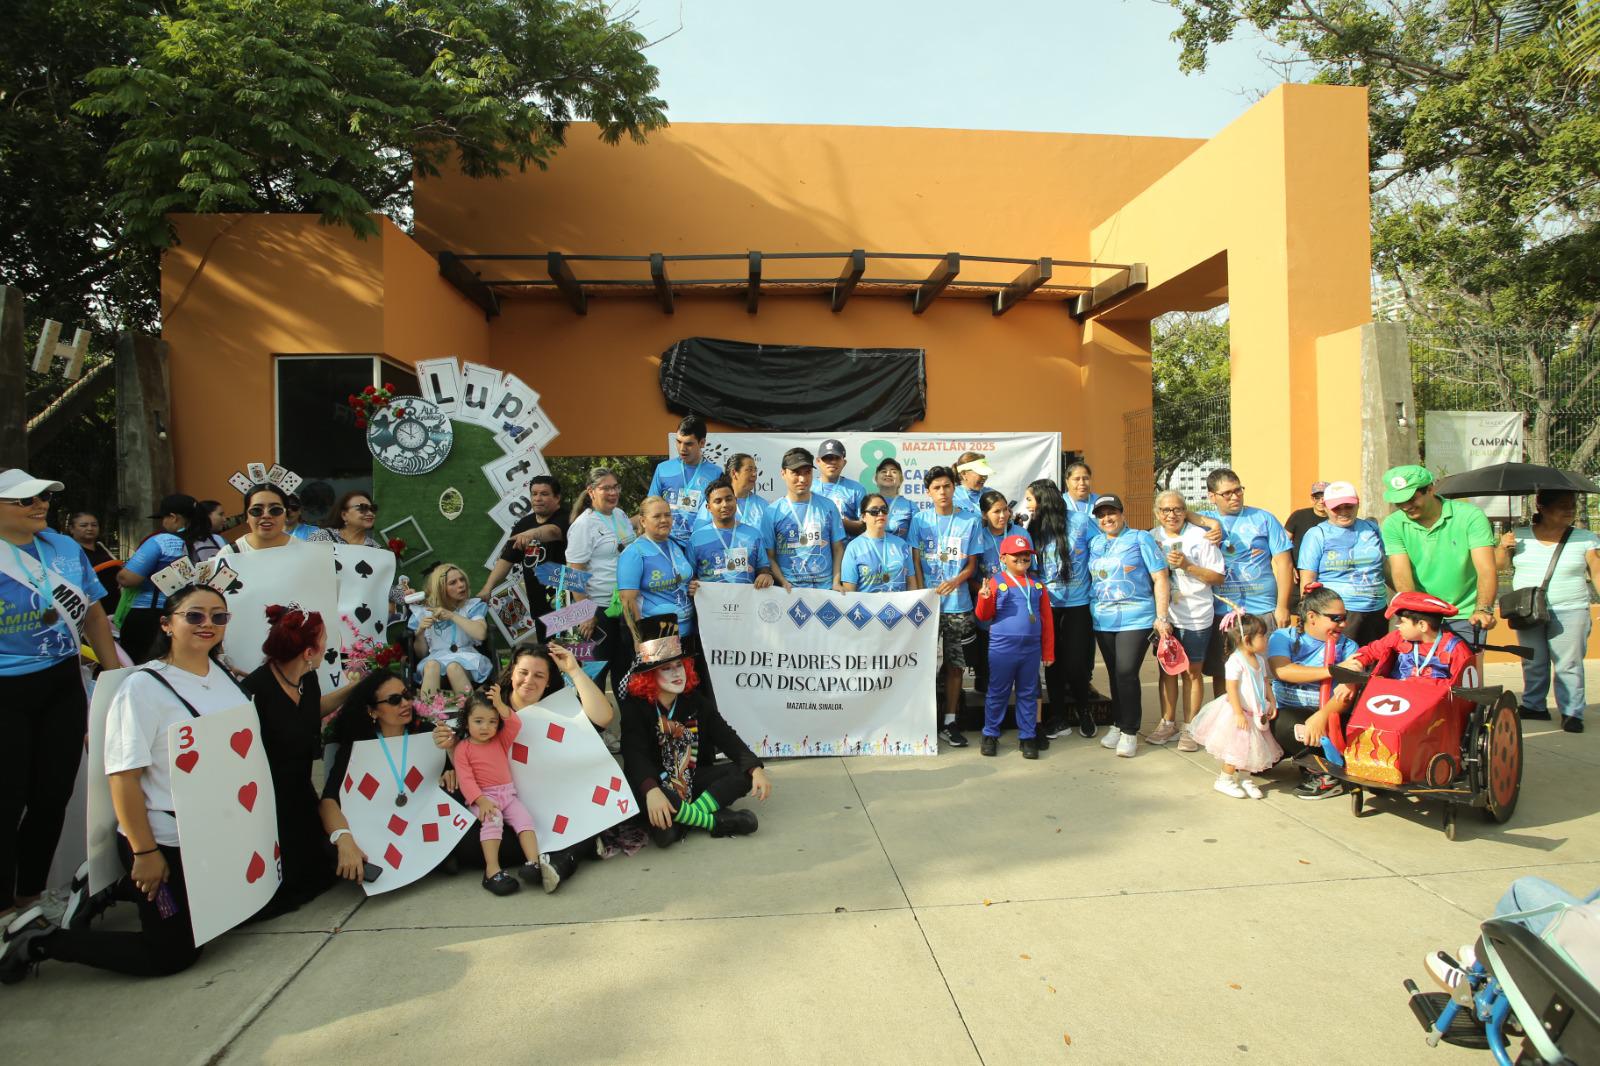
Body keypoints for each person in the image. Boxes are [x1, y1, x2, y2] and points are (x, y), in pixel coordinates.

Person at [0, 583, 247, 978]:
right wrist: (145, 853)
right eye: (194, 615)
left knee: (241, 911)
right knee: (172, 954)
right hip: (163, 840)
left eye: (218, 616)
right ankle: (38, 941)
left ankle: (110, 887)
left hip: (213, 834)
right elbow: (123, 778)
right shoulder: (143, 688)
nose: (208, 624)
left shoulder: (222, 674)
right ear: (166, 624)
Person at [0, 470, 120, 929]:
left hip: (63, 684)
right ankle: (3, 910)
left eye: (44, 497)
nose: (40, 505)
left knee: (52, 796)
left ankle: (31, 896)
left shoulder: (65, 548)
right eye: (25, 500)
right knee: (6, 800)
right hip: (6, 691)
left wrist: (115, 673)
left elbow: (93, 612)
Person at [238, 604, 353, 919]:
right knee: (291, 885)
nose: (327, 646)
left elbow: (310, 711)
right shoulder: (255, 691)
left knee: (324, 869)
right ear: (308, 652)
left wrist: (354, 689)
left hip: (301, 791)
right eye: (324, 640)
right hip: (270, 800)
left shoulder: (308, 678)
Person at [620, 616, 771, 848]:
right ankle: (715, 821)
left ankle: (688, 819)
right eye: (666, 668)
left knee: (742, 774)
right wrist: (651, 790)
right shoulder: (635, 707)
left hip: (689, 778)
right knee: (660, 825)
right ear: (649, 676)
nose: (676, 673)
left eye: (679, 665)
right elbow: (634, 755)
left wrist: (754, 767)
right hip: (655, 781)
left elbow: (725, 735)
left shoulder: (695, 700)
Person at [317, 672, 457, 891]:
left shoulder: (428, 734)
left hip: (420, 822)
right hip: (375, 829)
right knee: (329, 847)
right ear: (372, 711)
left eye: (406, 695)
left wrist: (452, 766)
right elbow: (329, 801)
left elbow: (453, 778)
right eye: (394, 700)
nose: (405, 703)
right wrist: (343, 839)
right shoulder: (358, 748)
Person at [494, 642, 615, 888]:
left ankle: (563, 859)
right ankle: (581, 844)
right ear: (512, 672)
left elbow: (603, 717)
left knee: (590, 809)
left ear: (549, 681)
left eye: (539, 675)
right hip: (512, 805)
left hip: (563, 800)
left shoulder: (559, 707)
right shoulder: (492, 705)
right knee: (485, 844)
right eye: (523, 672)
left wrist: (574, 671)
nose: (529, 681)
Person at [1495, 489, 1599, 731]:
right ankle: (1534, 706)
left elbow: (1597, 571)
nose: (1570, 510)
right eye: (1563, 505)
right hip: (1527, 609)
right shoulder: (1519, 535)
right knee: (1533, 660)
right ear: (1541, 507)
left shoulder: (1585, 538)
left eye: (1572, 505)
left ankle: (1572, 712)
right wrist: (1503, 547)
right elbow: (1499, 566)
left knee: (1568, 663)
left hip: (1571, 609)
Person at [1086, 494, 1173, 758]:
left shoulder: (1140, 538)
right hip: (1103, 618)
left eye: (1111, 513)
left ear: (1122, 514)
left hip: (1136, 617)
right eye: (1101, 515)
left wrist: (1161, 617)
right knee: (1115, 674)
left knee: (1126, 672)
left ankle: (1130, 730)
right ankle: (1117, 722)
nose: (1107, 519)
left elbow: (1160, 577)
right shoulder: (1095, 542)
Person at [1379, 464, 1497, 647]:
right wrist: (1413, 613)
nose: (1406, 506)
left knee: (1464, 665)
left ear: (1430, 489)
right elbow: (1401, 573)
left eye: (1411, 499)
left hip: (1465, 614)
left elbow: (1486, 569)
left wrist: (1483, 609)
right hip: (1423, 616)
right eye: (1399, 502)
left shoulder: (1470, 516)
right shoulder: (1392, 524)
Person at [909, 465, 983, 748]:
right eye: (936, 488)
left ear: (954, 487)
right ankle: (921, 719)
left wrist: (955, 581)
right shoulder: (920, 520)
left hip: (958, 605)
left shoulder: (969, 520)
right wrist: (921, 595)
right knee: (923, 665)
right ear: (928, 492)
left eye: (947, 486)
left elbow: (972, 565)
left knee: (955, 666)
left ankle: (950, 722)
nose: (942, 492)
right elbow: (915, 561)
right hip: (927, 606)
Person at [1265, 585, 1360, 801]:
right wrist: (1333, 670)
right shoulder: (1284, 636)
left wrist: (1322, 716)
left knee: (1284, 724)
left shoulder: (1349, 647)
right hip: (1287, 709)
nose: (1343, 624)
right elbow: (1283, 670)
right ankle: (1299, 757)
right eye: (1336, 618)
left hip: (1327, 717)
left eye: (1345, 617)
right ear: (1312, 617)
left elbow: (1346, 695)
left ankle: (1325, 774)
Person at [1205, 468, 1294, 695]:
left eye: (1238, 490)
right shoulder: (1204, 521)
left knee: (1265, 670)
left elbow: (1284, 564)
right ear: (1211, 496)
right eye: (1227, 493)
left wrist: (1282, 607)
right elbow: (1178, 512)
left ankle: (1266, 713)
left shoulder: (1264, 518)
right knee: (1224, 673)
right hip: (1222, 612)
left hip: (1263, 610)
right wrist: (1210, 524)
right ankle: (1228, 714)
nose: (1235, 497)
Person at [1149, 491, 1224, 750]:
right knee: (1167, 670)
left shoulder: (1201, 537)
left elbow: (1218, 577)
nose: (1172, 515)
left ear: (1185, 511)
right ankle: (1167, 723)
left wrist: (1187, 566)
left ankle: (1191, 727)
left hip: (1196, 615)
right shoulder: (1152, 538)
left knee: (1192, 672)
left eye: (1177, 509)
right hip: (1165, 618)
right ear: (1157, 513)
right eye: (1165, 510)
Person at [1026, 479, 1098, 739]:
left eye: (1030, 499)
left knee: (1077, 663)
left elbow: (1101, 548)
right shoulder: (1033, 528)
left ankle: (1084, 709)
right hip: (1048, 606)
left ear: (1043, 500)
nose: (1028, 505)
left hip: (1079, 604)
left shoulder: (1080, 521)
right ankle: (1058, 717)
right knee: (1052, 662)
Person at [455, 688, 545, 896]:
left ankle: (533, 863)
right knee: (493, 820)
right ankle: (492, 870)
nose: (485, 727)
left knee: (525, 819)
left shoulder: (500, 740)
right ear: (466, 721)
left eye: (492, 721)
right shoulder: (463, 749)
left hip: (508, 795)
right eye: (478, 721)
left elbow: (515, 723)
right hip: (483, 797)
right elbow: (465, 779)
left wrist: (499, 704)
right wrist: (481, 801)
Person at [973, 534, 1054, 759]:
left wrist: (1048, 651)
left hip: (1031, 649)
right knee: (998, 692)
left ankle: (1027, 736)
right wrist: (984, 598)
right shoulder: (995, 581)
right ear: (1003, 558)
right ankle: (990, 734)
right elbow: (983, 616)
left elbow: (1046, 620)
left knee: (1028, 692)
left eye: (1026, 556)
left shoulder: (1037, 584)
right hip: (1002, 647)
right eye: (1016, 556)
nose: (1022, 560)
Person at [1189, 614, 1281, 799]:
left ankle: (1246, 778)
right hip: (1239, 712)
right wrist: (1238, 713)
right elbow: (1231, 688)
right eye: (1262, 635)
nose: (1266, 639)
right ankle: (1225, 779)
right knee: (1236, 750)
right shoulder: (1236, 661)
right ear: (1247, 640)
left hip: (1255, 711)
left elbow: (1265, 682)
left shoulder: (1260, 660)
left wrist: (1272, 701)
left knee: (1251, 749)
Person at [566, 466, 637, 695]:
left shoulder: (620, 515)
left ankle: (626, 718)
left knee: (625, 673)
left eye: (615, 487)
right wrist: (585, 612)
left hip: (624, 607)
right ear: (591, 491)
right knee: (594, 676)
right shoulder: (583, 525)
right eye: (606, 488)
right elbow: (574, 572)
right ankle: (592, 718)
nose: (613, 493)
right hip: (597, 611)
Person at [117, 493, 214, 660]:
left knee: (143, 666)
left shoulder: (162, 541)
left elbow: (128, 578)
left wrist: (121, 573)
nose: (163, 523)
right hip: (194, 615)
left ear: (174, 518)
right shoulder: (212, 541)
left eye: (164, 518)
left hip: (151, 616)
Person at [1296, 481, 1388, 645]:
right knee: (1343, 659)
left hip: (1377, 610)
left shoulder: (1371, 528)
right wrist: (1308, 618)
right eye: (1337, 508)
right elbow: (1307, 581)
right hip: (1339, 614)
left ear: (1358, 504)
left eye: (1349, 506)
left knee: (1378, 659)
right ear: (1325, 507)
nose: (1343, 512)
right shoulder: (1317, 534)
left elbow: (1385, 567)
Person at [478, 475, 567, 640]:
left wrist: (533, 533)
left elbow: (553, 531)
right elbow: (507, 559)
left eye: (544, 494)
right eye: (534, 494)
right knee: (548, 652)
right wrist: (487, 588)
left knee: (572, 651)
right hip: (539, 606)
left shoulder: (567, 518)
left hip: (567, 603)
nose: (538, 498)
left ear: (557, 497)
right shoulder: (523, 524)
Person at [971, 490, 1032, 732]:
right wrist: (987, 592)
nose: (1003, 515)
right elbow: (971, 574)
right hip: (989, 614)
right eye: (996, 511)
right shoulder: (978, 536)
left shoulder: (1021, 535)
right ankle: (993, 726)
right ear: (984, 514)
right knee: (992, 677)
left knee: (1025, 679)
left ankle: (1028, 728)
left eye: (1005, 509)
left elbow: (1031, 572)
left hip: (1017, 614)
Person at [618, 497, 696, 655]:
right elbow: (627, 600)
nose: (664, 520)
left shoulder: (675, 544)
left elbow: (681, 580)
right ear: (643, 521)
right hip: (657, 635)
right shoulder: (634, 552)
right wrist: (638, 639)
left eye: (667, 515)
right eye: (657, 516)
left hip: (687, 631)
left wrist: (692, 586)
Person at [761, 448, 846, 591]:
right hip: (790, 590)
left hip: (825, 589)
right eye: (796, 473)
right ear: (783, 473)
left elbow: (838, 548)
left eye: (807, 472)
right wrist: (783, 582)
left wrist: (836, 582)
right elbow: (769, 556)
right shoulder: (772, 512)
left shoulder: (828, 506)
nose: (802, 479)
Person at [410, 564, 491, 696]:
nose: (461, 585)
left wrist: (452, 616)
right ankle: (429, 709)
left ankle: (469, 706)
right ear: (441, 588)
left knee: (453, 667)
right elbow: (421, 654)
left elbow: (481, 634)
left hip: (466, 657)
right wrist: (419, 634)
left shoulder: (471, 606)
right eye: (453, 582)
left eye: (462, 579)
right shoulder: (425, 612)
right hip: (436, 658)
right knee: (431, 665)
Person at [648, 414, 718, 550]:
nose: (682, 448)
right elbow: (651, 506)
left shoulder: (715, 473)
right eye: (679, 442)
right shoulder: (663, 469)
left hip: (701, 544)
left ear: (702, 443)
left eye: (688, 444)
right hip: (667, 543)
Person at [688, 477, 773, 588]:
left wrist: (765, 575)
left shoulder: (753, 535)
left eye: (728, 499)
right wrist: (692, 586)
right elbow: (689, 576)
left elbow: (763, 567)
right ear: (708, 507)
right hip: (710, 598)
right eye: (718, 501)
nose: (725, 504)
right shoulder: (697, 539)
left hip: (746, 598)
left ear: (735, 501)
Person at [841, 493, 918, 592]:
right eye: (874, 511)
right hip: (866, 602)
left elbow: (911, 585)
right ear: (863, 517)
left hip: (899, 602)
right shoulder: (853, 547)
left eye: (884, 510)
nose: (880, 514)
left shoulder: (901, 544)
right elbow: (849, 592)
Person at [221, 484, 305, 554]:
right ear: (246, 516)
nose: (266, 515)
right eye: (256, 510)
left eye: (275, 510)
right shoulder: (229, 554)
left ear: (286, 515)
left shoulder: (305, 551)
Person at [64, 510, 121, 614]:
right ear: (71, 529)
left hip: (115, 604)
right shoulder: (68, 552)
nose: (90, 528)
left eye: (94, 525)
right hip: (90, 607)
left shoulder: (101, 546)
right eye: (84, 525)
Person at [695, 453, 769, 532]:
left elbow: (769, 537)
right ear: (734, 473)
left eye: (755, 470)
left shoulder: (763, 505)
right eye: (749, 470)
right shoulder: (714, 503)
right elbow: (699, 534)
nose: (754, 474)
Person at [814, 438, 867, 539]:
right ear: (818, 461)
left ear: (844, 462)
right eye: (827, 458)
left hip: (847, 548)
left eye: (837, 458)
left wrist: (839, 521)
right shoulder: (809, 488)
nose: (832, 462)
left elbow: (865, 526)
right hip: (816, 547)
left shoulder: (857, 489)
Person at [308, 490, 383, 547]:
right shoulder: (322, 537)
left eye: (372, 509)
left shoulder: (376, 548)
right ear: (344, 515)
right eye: (362, 508)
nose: (370, 513)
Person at [873, 457, 921, 539]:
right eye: (883, 471)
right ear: (876, 479)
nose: (888, 474)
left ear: (900, 480)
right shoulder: (867, 503)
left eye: (894, 472)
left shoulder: (910, 506)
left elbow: (915, 541)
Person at [1283, 481, 1329, 549]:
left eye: (1325, 497)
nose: (1321, 501)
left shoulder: (1336, 518)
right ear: (1312, 499)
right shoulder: (1298, 516)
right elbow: (1283, 543)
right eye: (1317, 497)